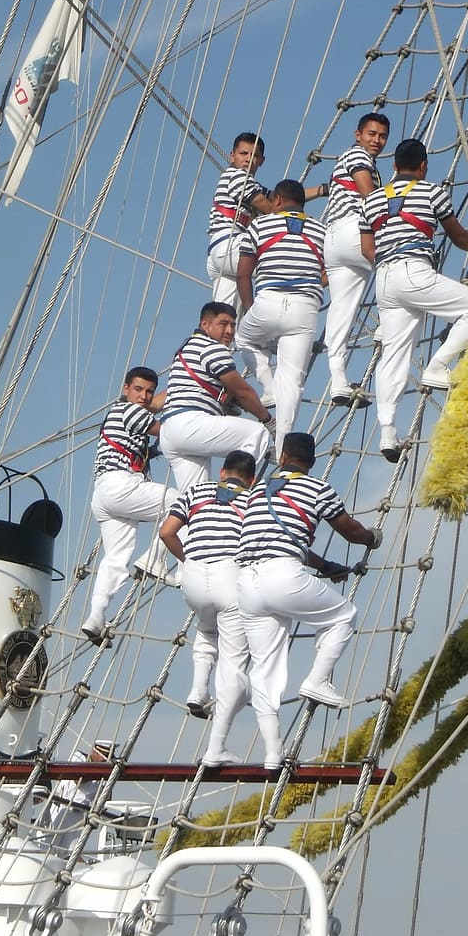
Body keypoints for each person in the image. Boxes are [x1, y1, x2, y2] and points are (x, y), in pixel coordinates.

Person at [236, 433, 380, 767]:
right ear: (311, 462)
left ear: (283, 456)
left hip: (247, 582)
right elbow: (350, 531)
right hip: (283, 575)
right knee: (343, 616)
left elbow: (280, 537)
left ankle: (273, 753)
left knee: (264, 670)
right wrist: (373, 538)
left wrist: (326, 565)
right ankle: (317, 680)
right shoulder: (317, 488)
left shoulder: (257, 490)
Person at [360, 138, 468, 462]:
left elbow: (367, 249)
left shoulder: (372, 201)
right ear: (423, 166)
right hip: (414, 271)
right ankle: (438, 365)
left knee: (393, 355)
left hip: (385, 281)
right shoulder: (431, 191)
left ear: (393, 166)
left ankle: (387, 432)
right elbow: (456, 233)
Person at [158, 450, 256, 765]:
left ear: (222, 472)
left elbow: (166, 532)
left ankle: (197, 690)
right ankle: (219, 743)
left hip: (194, 577)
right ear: (251, 479)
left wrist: (189, 559)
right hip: (230, 576)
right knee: (234, 661)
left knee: (205, 628)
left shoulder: (197, 492)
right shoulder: (253, 500)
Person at [84, 366, 178, 643]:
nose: (144, 396)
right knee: (179, 501)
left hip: (103, 494)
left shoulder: (122, 413)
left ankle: (96, 616)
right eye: (138, 389)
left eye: (149, 391)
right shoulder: (130, 410)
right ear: (126, 389)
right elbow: (168, 433)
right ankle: (155, 558)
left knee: (116, 558)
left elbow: (157, 406)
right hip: (121, 485)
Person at [235, 180, 327, 454]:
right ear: (302, 202)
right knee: (293, 379)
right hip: (305, 309)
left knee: (245, 339)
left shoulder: (260, 225)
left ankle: (267, 386)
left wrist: (251, 309)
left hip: (268, 300)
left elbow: (243, 274)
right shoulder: (321, 229)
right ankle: (283, 443)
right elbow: (330, 269)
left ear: (276, 201)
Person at [159, 301, 274, 492]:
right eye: (223, 324)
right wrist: (268, 420)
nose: (229, 331)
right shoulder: (213, 348)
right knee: (258, 433)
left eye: (232, 325)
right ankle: (232, 494)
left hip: (170, 432)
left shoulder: (186, 349)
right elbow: (243, 392)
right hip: (191, 423)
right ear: (205, 324)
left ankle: (201, 517)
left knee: (195, 496)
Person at [207, 133, 330, 307]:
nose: (249, 159)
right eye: (243, 154)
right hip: (231, 246)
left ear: (262, 160)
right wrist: (291, 222)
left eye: (254, 155)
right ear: (232, 155)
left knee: (226, 313)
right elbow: (264, 204)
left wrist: (321, 190)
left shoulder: (249, 182)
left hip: (222, 252)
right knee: (296, 262)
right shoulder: (236, 176)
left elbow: (281, 199)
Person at [323, 111, 391, 404]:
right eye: (372, 134)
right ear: (358, 135)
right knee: (402, 268)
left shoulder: (349, 158)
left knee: (342, 311)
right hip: (355, 231)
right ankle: (386, 326)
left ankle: (338, 380)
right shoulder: (358, 157)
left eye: (382, 136)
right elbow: (368, 193)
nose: (376, 141)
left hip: (334, 239)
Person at [43, 739, 116, 853]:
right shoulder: (79, 757)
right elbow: (77, 779)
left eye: (109, 757)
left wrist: (110, 778)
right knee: (48, 848)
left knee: (71, 853)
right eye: (105, 756)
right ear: (95, 752)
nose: (105, 760)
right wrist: (100, 772)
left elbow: (105, 800)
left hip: (79, 816)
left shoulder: (104, 772)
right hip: (61, 809)